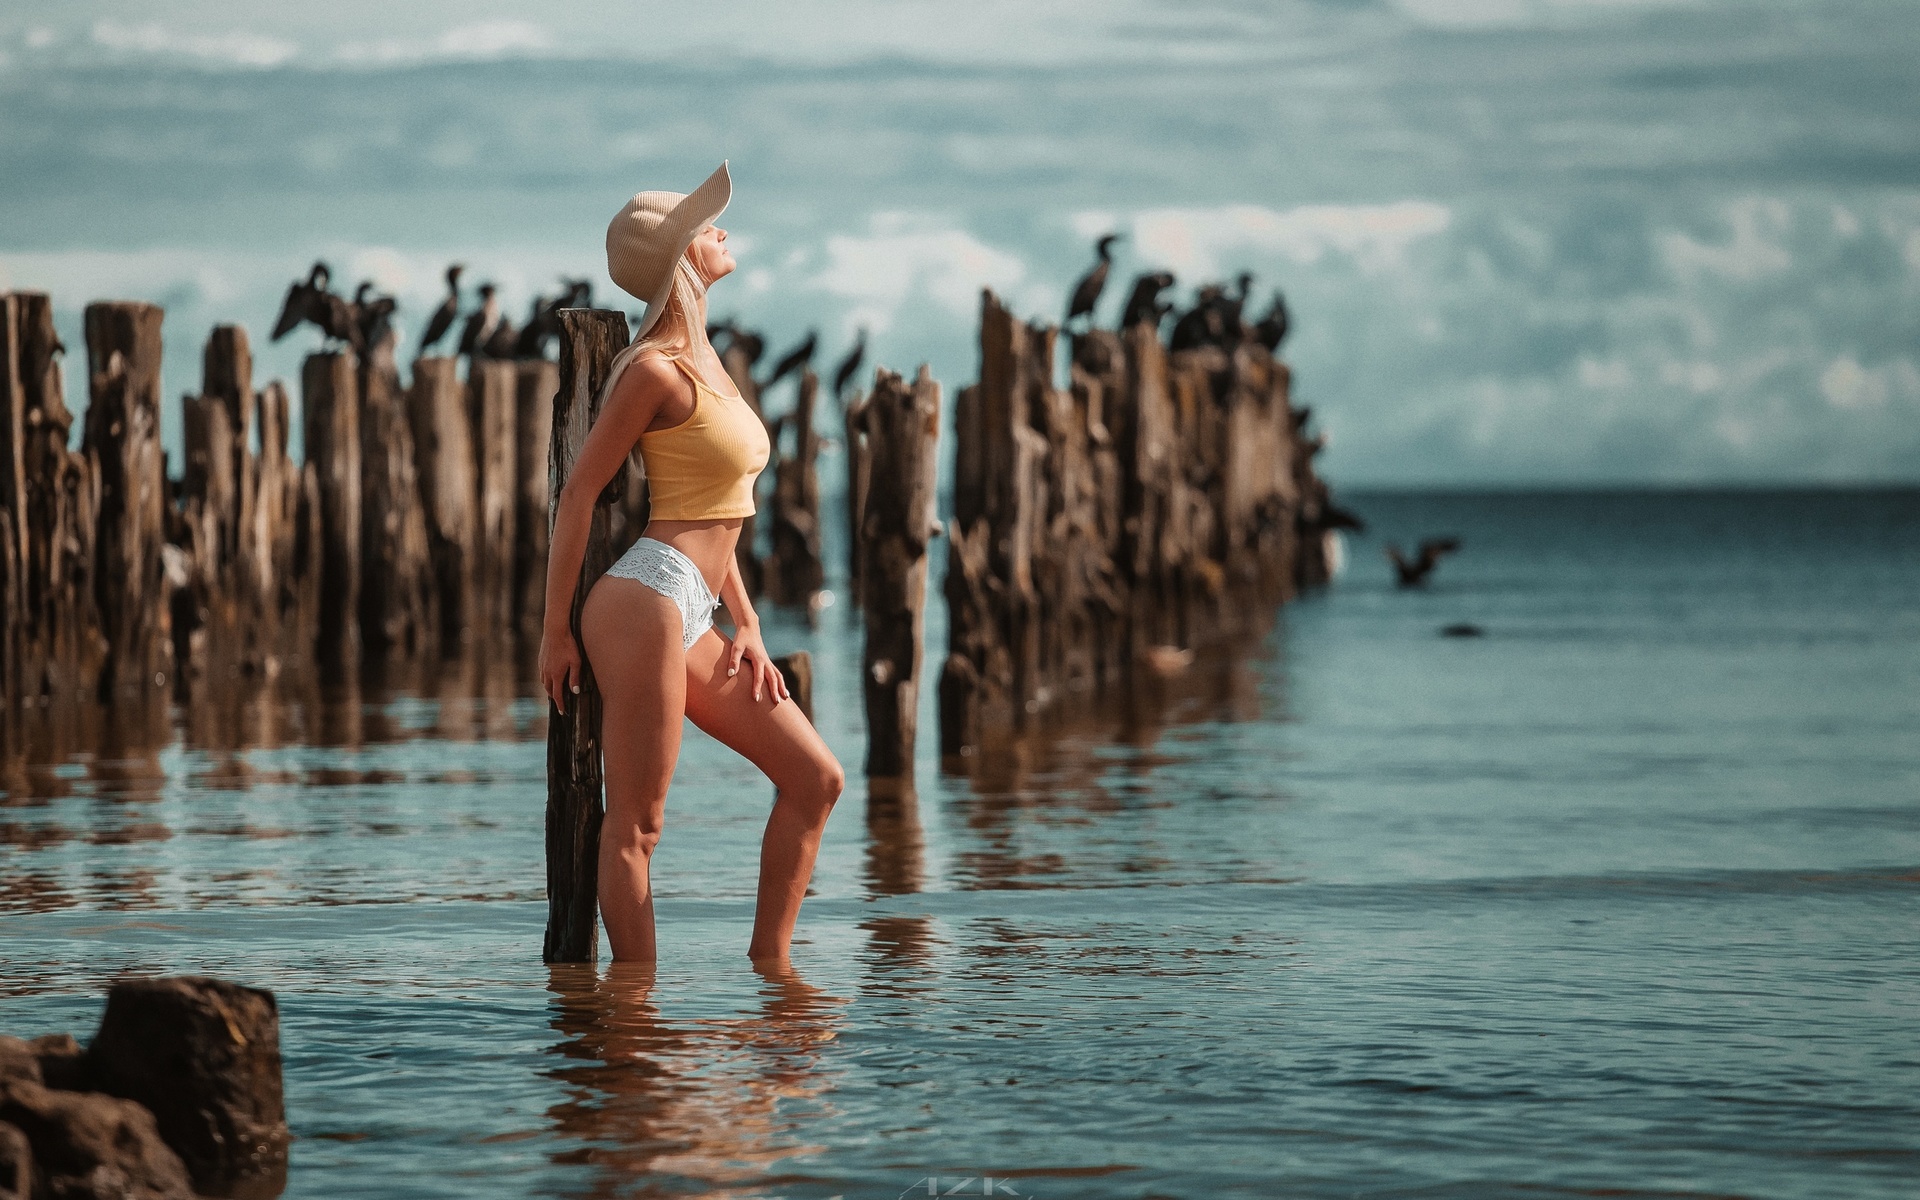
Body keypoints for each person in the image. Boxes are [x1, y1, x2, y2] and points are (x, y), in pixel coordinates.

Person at [538, 162, 844, 964]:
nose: (724, 233)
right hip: (642, 599)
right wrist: (555, 633)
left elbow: (720, 512)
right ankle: (636, 1015)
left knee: (816, 781)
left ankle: (774, 975)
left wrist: (747, 623)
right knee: (638, 822)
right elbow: (579, 496)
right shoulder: (651, 371)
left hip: (697, 607)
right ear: (681, 256)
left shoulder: (709, 361)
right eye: (710, 228)